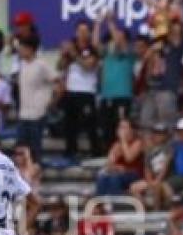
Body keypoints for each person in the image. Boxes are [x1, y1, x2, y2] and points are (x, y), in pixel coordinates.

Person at [58, 21, 102, 157]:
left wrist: (74, 53)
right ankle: (71, 151)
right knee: (70, 124)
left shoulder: (93, 48)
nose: (82, 34)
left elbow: (88, 66)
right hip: (71, 90)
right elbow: (60, 66)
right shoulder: (71, 46)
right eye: (80, 31)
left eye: (85, 31)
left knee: (90, 124)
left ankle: (95, 152)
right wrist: (63, 54)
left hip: (87, 91)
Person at [94, 13, 135, 147]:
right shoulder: (107, 52)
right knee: (107, 129)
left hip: (122, 97)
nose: (117, 39)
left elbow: (118, 41)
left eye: (121, 36)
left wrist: (111, 21)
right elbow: (95, 44)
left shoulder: (129, 51)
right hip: (107, 96)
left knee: (121, 129)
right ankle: (109, 156)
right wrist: (98, 23)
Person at [16, 36, 56, 161]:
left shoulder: (41, 65)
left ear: (30, 49)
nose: (20, 51)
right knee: (20, 148)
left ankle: (36, 175)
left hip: (37, 113)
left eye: (22, 48)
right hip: (23, 114)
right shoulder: (22, 65)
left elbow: (59, 83)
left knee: (35, 148)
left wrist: (52, 102)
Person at [129, 122, 174, 210]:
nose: (158, 136)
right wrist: (150, 181)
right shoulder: (149, 150)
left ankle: (156, 211)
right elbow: (147, 168)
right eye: (156, 133)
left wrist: (157, 180)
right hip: (152, 179)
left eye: (161, 133)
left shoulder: (169, 148)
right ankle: (144, 210)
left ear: (166, 135)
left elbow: (166, 166)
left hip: (166, 179)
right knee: (134, 187)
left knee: (157, 185)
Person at [95, 119, 144, 196]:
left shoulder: (138, 142)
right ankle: (100, 204)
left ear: (132, 130)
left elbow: (129, 158)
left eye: (124, 127)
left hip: (134, 173)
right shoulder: (117, 144)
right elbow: (108, 164)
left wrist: (123, 140)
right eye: (120, 127)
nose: (121, 130)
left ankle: (117, 205)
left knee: (115, 179)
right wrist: (115, 167)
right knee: (102, 177)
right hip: (120, 173)